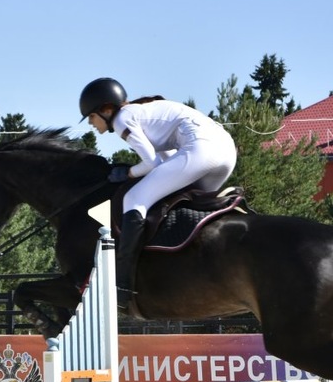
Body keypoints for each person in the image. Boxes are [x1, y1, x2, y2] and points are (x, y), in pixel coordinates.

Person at [79, 77, 237, 310]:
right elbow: (163, 160)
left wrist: (128, 173)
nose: (91, 124)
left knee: (134, 199)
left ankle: (121, 284)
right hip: (226, 152)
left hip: (202, 149)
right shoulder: (141, 112)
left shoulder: (123, 119)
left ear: (106, 109)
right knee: (180, 203)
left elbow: (151, 163)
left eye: (91, 116)